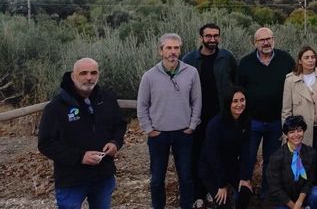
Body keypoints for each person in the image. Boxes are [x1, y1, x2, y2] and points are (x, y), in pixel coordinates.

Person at [38, 58, 126, 209]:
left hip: (103, 176)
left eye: (93, 73)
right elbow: (45, 143)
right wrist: (80, 157)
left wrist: (115, 142)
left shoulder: (107, 98)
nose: (89, 77)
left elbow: (119, 125)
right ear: (73, 76)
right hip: (71, 180)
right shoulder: (56, 107)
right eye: (83, 73)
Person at [137, 33, 202, 209]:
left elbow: (197, 101)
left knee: (186, 177)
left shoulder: (191, 72)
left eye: (176, 48)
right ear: (161, 51)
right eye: (169, 48)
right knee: (157, 178)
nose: (173, 52)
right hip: (159, 135)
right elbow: (142, 106)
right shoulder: (149, 76)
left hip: (184, 133)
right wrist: (149, 129)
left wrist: (192, 125)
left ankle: (186, 206)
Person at [182, 23, 238, 207]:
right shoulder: (190, 59)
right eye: (208, 36)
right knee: (197, 154)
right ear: (201, 38)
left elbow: (235, 83)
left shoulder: (226, 57)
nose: (212, 39)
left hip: (220, 116)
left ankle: (212, 190)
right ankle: (197, 193)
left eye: (216, 35)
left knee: (217, 154)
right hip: (196, 116)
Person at [238, 26, 295, 197]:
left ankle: (267, 194)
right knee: (248, 156)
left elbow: (296, 80)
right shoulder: (246, 63)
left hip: (276, 121)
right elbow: (239, 91)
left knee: (271, 159)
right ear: (255, 43)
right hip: (253, 120)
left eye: (268, 38)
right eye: (262, 40)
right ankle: (243, 190)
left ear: (274, 39)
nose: (266, 42)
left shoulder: (285, 59)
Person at [282, 45, 317, 187]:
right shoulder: (291, 80)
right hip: (300, 132)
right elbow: (286, 110)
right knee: (302, 166)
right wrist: (287, 133)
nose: (310, 60)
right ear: (299, 61)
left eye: (313, 57)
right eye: (306, 58)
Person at [199, 86, 253, 209]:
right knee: (224, 204)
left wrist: (244, 178)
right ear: (228, 102)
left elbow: (246, 151)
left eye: (242, 100)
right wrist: (221, 184)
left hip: (231, 165)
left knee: (246, 191)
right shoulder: (216, 124)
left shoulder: (246, 120)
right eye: (235, 101)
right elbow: (212, 156)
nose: (239, 104)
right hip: (211, 169)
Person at [266, 115, 317, 209]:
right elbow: (275, 188)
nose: (296, 135)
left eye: (299, 130)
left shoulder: (311, 153)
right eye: (291, 132)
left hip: (301, 197)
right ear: (286, 134)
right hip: (283, 201)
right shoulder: (276, 157)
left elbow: (309, 181)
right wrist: (294, 206)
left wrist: (299, 202)